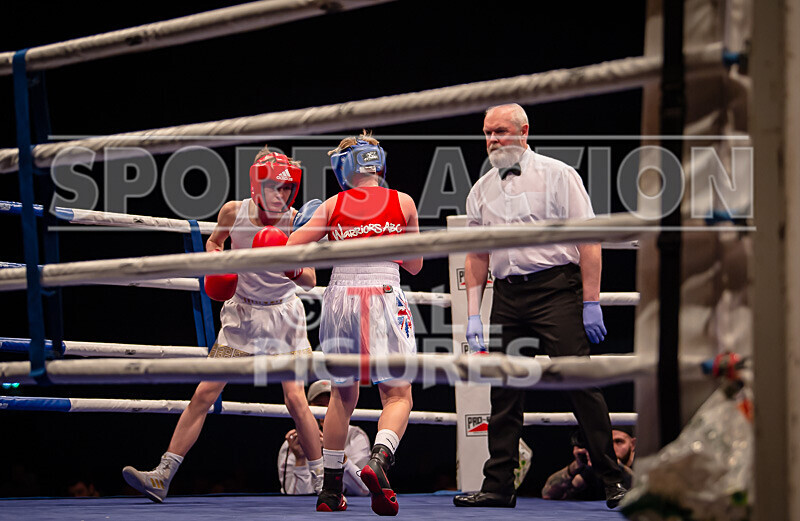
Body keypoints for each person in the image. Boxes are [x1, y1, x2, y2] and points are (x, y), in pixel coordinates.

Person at [121, 148, 324, 503]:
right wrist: (218, 262)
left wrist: (291, 268)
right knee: (204, 393)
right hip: (242, 315)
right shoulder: (234, 212)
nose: (282, 195)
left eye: (287, 188)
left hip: (283, 316)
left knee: (295, 400)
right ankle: (163, 475)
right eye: (275, 187)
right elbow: (214, 242)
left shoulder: (295, 221)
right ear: (257, 185)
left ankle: (324, 480)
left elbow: (309, 278)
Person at [452, 104, 628, 509]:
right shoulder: (481, 190)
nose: (492, 140)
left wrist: (591, 301)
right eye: (487, 133)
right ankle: (498, 486)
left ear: (523, 131)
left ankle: (613, 480)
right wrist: (475, 312)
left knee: (580, 385)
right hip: (509, 296)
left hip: (556, 290)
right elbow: (477, 255)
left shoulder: (558, 175)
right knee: (505, 391)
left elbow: (589, 241)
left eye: (500, 131)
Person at [286, 131, 423, 515]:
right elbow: (415, 265)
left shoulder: (331, 205)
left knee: (342, 397)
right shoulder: (403, 202)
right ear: (378, 162)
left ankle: (330, 492)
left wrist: (328, 239)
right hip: (383, 291)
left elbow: (288, 255)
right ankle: (378, 461)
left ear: (344, 165)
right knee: (397, 394)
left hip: (339, 297)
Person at [278, 380, 370, 496]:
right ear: (309, 406)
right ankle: (322, 479)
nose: (326, 411)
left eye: (330, 404)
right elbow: (295, 496)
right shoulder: (294, 443)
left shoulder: (355, 436)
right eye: (320, 406)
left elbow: (364, 490)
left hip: (348, 507)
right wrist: (300, 459)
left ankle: (328, 484)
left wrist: (337, 455)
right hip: (307, 511)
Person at [542, 427, 636, 500]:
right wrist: (575, 466)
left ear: (633, 444)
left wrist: (615, 464)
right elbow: (547, 494)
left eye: (619, 442)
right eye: (608, 442)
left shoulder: (641, 464)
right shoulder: (593, 468)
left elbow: (645, 491)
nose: (612, 447)